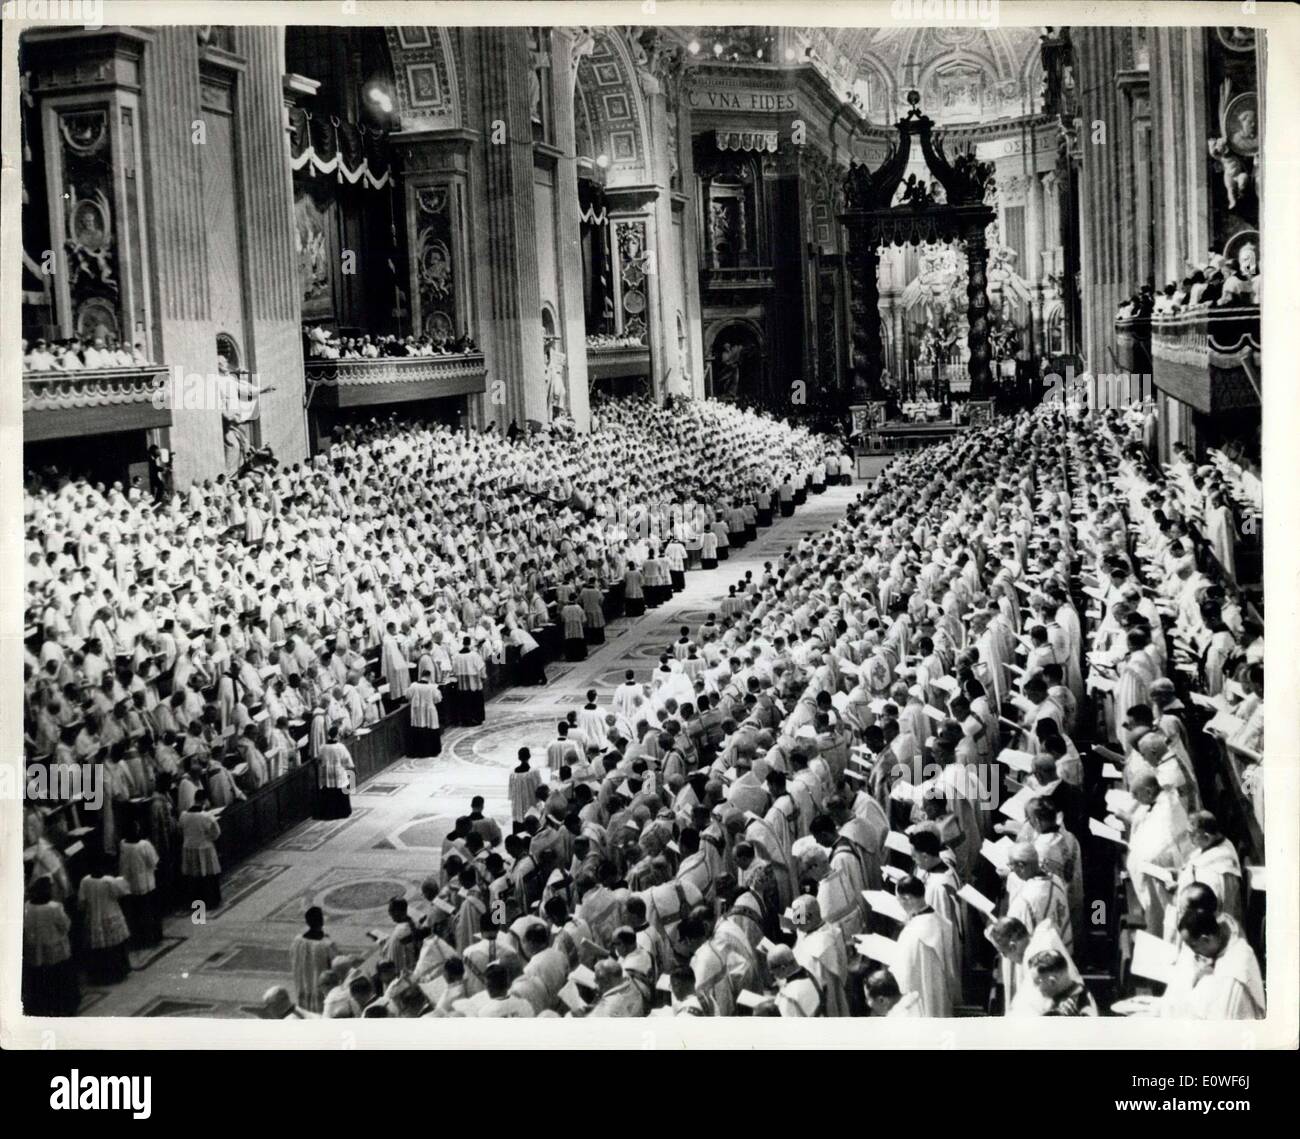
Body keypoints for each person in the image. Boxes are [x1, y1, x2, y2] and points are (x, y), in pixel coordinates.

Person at [1161, 908, 1265, 1020]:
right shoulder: (1226, 943)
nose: (1194, 952)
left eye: (1193, 946)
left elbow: (1220, 1022)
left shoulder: (1233, 975)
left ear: (1205, 940)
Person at [893, 874, 955, 1017]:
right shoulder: (937, 918)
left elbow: (903, 976)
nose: (900, 905)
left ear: (907, 899)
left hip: (920, 994)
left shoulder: (914, 933)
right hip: (938, 989)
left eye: (899, 900)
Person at [23, 876, 78, 1015]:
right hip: (56, 949)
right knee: (59, 978)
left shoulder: (27, 906)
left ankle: (44, 1007)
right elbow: (65, 925)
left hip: (35, 949)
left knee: (42, 978)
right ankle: (63, 1006)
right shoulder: (54, 907)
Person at [78, 856, 133, 984]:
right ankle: (117, 973)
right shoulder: (109, 881)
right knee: (114, 947)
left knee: (100, 949)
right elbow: (121, 893)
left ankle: (102, 975)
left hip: (94, 917)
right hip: (110, 914)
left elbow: (81, 902)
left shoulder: (85, 881)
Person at [118, 820, 162, 947]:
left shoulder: (123, 844)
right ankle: (153, 937)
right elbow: (153, 861)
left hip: (130, 884)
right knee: (150, 911)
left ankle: (140, 938)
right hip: (146, 883)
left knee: (137, 913)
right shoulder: (144, 845)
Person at [178, 789, 222, 909]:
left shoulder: (183, 815)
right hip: (205, 847)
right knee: (208, 874)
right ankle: (211, 901)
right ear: (204, 800)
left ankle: (196, 902)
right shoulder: (206, 817)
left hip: (189, 848)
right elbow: (216, 833)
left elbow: (180, 830)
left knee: (194, 876)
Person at [291, 906, 337, 1014]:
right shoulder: (326, 945)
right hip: (321, 988)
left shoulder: (298, 941)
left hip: (304, 986)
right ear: (322, 921)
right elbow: (335, 965)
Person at [1026, 949, 1097, 1016]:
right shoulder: (1081, 991)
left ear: (1052, 981)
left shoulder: (1079, 1005)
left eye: (1037, 982)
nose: (1034, 986)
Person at [315, 725, 355, 820]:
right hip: (338, 772)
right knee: (340, 792)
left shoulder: (323, 747)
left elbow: (319, 760)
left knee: (329, 792)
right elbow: (347, 760)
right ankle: (343, 812)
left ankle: (330, 813)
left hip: (327, 773)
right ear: (337, 736)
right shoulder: (340, 747)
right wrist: (351, 767)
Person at [407, 669, 443, 757]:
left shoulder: (413, 686)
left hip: (417, 711)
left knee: (419, 728)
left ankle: (419, 752)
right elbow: (438, 699)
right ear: (429, 676)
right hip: (429, 710)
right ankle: (432, 751)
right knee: (430, 729)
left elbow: (407, 696)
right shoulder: (432, 687)